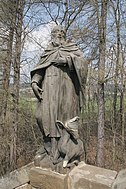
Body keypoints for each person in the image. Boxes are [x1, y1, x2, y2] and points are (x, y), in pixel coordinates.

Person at [31, 25, 88, 159]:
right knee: (41, 117)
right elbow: (40, 68)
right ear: (52, 34)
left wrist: (67, 61)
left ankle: (62, 150)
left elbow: (83, 63)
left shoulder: (72, 48)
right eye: (56, 32)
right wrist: (34, 81)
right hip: (49, 89)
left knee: (62, 120)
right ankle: (48, 146)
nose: (60, 34)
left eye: (62, 32)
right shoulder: (48, 51)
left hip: (66, 90)